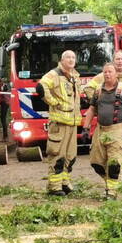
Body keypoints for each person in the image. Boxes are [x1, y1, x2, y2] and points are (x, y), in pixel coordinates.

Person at [83, 50, 122, 179]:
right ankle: (113, 176)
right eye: (117, 59)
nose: (119, 61)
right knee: (111, 153)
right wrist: (100, 102)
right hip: (113, 122)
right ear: (113, 61)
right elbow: (88, 88)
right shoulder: (104, 75)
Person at [83, 63, 122, 199]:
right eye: (105, 72)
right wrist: (86, 128)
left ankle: (111, 192)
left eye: (110, 72)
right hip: (100, 131)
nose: (107, 74)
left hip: (117, 131)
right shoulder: (98, 90)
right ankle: (113, 183)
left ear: (116, 74)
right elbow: (91, 110)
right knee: (96, 163)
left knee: (114, 164)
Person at [38, 50, 81, 196]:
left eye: (73, 57)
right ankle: (54, 187)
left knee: (70, 156)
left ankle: (64, 182)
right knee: (57, 155)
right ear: (62, 60)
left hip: (72, 123)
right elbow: (41, 87)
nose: (71, 59)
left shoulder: (74, 76)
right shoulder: (55, 74)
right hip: (59, 124)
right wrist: (54, 102)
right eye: (68, 57)